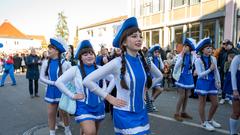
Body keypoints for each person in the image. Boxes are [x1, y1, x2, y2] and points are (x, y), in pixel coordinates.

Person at [83, 17, 163, 135]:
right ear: (124, 42)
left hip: (142, 113)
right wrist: (109, 98)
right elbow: (87, 80)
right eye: (134, 36)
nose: (139, 39)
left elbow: (160, 76)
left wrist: (146, 88)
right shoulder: (116, 62)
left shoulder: (145, 60)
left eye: (140, 36)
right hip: (124, 114)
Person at [55, 40, 115, 135]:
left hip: (99, 106)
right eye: (85, 54)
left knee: (93, 133)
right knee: (90, 132)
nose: (89, 56)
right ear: (81, 57)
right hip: (83, 107)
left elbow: (113, 79)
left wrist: (106, 93)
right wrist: (72, 96)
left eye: (91, 53)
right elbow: (59, 82)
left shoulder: (100, 69)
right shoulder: (75, 69)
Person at [40, 37, 72, 135]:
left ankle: (67, 130)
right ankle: (52, 132)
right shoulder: (45, 63)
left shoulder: (66, 64)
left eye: (50, 48)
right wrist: (53, 83)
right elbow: (42, 78)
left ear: (57, 51)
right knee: (51, 114)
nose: (48, 50)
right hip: (51, 91)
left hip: (62, 92)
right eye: (48, 48)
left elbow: (71, 78)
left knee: (64, 113)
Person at [194, 37, 221, 131]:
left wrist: (218, 81)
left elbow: (216, 71)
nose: (210, 50)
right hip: (202, 83)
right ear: (202, 50)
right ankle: (203, 122)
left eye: (211, 48)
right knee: (202, 103)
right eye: (207, 48)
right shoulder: (197, 60)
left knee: (216, 103)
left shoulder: (213, 58)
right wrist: (210, 69)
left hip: (212, 83)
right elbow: (200, 75)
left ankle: (209, 120)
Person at [173, 38, 196, 121]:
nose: (185, 48)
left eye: (187, 46)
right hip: (181, 77)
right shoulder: (180, 55)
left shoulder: (192, 55)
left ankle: (183, 112)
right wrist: (181, 56)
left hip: (189, 77)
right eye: (184, 46)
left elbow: (193, 65)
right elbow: (176, 67)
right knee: (182, 95)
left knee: (187, 95)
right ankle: (176, 113)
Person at [148, 44, 164, 111]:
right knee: (160, 90)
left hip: (157, 77)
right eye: (155, 52)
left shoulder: (158, 59)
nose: (157, 53)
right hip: (152, 78)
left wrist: (160, 59)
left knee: (154, 92)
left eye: (158, 52)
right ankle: (150, 101)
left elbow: (162, 67)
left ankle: (151, 104)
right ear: (153, 52)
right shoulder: (150, 59)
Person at [229, 54, 240, 135]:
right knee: (236, 112)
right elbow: (233, 75)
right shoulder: (237, 58)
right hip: (238, 88)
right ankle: (233, 133)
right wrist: (235, 90)